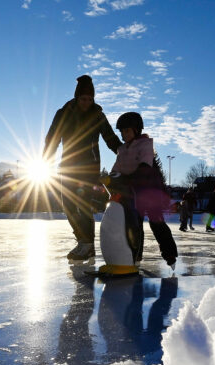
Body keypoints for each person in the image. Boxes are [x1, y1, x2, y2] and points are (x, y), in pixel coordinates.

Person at [44, 75, 122, 262]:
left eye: (90, 99)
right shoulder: (63, 113)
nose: (87, 103)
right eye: (83, 99)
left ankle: (87, 245)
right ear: (77, 98)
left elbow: (110, 137)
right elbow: (52, 138)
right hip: (68, 167)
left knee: (83, 205)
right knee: (68, 206)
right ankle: (83, 242)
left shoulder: (98, 115)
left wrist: (124, 151)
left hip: (89, 167)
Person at [106, 112, 177, 268]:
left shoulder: (145, 144)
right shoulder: (122, 149)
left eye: (127, 131)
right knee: (133, 224)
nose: (124, 135)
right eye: (122, 132)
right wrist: (109, 178)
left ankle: (170, 254)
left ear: (137, 130)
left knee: (156, 223)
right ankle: (134, 256)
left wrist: (126, 179)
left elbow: (145, 167)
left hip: (150, 191)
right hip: (132, 192)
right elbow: (116, 169)